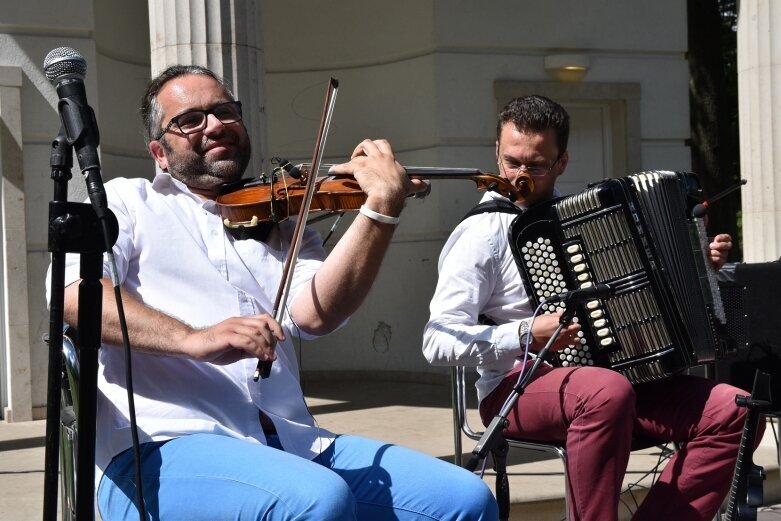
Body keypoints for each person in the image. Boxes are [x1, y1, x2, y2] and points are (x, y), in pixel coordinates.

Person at [50, 65, 498, 521]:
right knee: (317, 501)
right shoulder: (127, 203)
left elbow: (315, 316)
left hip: (291, 443)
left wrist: (379, 210)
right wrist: (194, 338)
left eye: (225, 111)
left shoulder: (284, 224)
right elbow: (73, 296)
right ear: (159, 153)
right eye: (191, 119)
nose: (215, 124)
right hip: (161, 448)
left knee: (465, 501)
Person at [423, 95, 756, 521]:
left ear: (562, 162)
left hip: (616, 383)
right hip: (517, 385)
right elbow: (437, 341)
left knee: (735, 408)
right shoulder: (480, 233)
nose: (520, 175)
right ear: (496, 152)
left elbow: (647, 295)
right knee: (604, 391)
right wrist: (526, 333)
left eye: (537, 166)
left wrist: (698, 267)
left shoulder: (588, 219)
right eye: (511, 162)